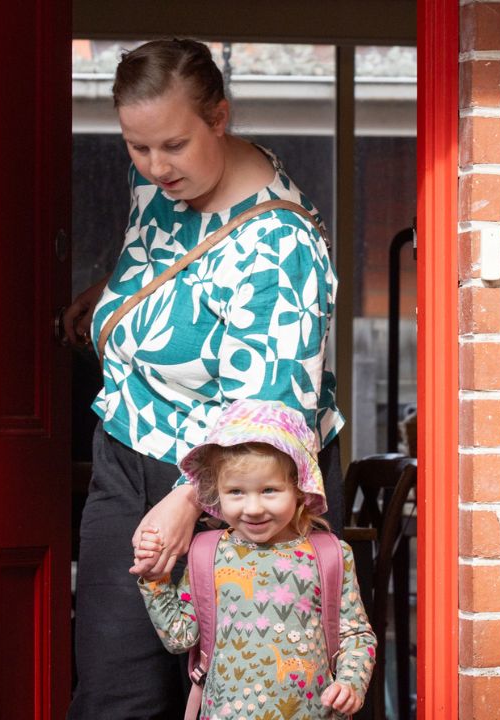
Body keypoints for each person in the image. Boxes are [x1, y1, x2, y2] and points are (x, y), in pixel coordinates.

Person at [62, 39, 346, 719]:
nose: (156, 167)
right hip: (125, 458)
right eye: (138, 147)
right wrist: (110, 303)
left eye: (173, 145)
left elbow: (271, 416)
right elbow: (165, 269)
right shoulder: (159, 186)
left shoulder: (282, 247)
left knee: (233, 697)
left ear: (220, 117)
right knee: (112, 696)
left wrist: (190, 500)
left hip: (230, 487)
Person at [133, 399, 375, 719]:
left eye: (269, 490)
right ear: (216, 491)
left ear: (299, 488)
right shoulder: (207, 554)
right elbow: (179, 637)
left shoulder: (330, 555)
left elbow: (355, 636)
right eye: (236, 492)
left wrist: (350, 683)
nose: (253, 508)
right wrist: (154, 579)